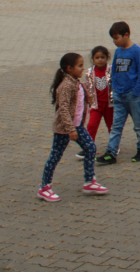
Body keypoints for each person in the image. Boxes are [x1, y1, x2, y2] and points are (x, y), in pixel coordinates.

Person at [38, 52, 109, 202]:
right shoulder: (66, 85)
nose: (83, 69)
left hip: (77, 125)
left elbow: (78, 99)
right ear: (69, 68)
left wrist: (88, 99)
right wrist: (70, 129)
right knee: (55, 156)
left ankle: (89, 182)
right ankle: (44, 187)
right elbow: (63, 108)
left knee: (90, 148)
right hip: (65, 128)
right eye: (80, 66)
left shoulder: (76, 82)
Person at [96, 22, 140, 166]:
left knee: (138, 124)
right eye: (113, 38)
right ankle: (111, 152)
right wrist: (114, 88)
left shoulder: (136, 51)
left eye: (116, 37)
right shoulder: (118, 51)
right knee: (116, 125)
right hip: (119, 94)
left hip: (133, 95)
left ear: (126, 35)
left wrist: (136, 92)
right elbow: (114, 70)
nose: (114, 41)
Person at [79, 46, 116, 159]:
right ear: (93, 59)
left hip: (110, 105)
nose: (100, 60)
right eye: (97, 57)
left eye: (102, 57)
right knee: (91, 125)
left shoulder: (111, 70)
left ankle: (114, 146)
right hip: (96, 105)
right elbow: (87, 87)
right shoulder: (90, 72)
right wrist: (88, 100)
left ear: (107, 58)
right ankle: (89, 147)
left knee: (112, 127)